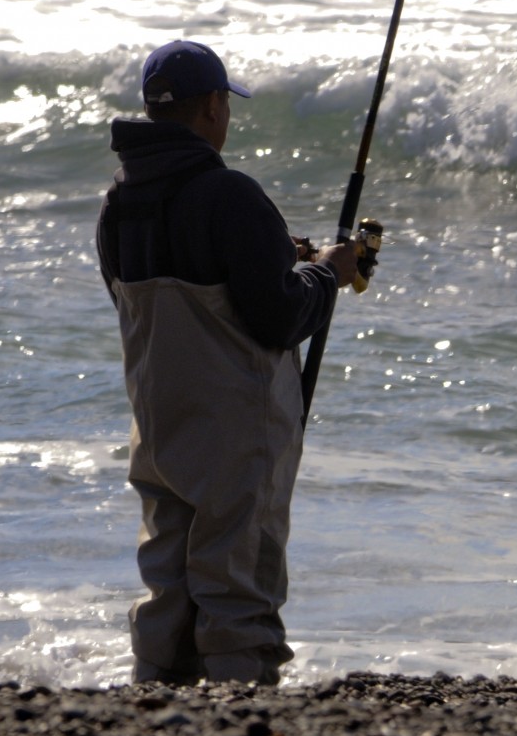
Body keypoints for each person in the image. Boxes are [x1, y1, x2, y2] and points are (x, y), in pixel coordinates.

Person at [96, 40, 358, 685]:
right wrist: (328, 274)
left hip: (158, 423)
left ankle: (158, 696)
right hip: (236, 423)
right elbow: (277, 316)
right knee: (240, 574)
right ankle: (243, 710)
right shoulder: (229, 192)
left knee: (170, 574)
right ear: (213, 105)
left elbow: (171, 287)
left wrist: (279, 254)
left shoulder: (118, 202)